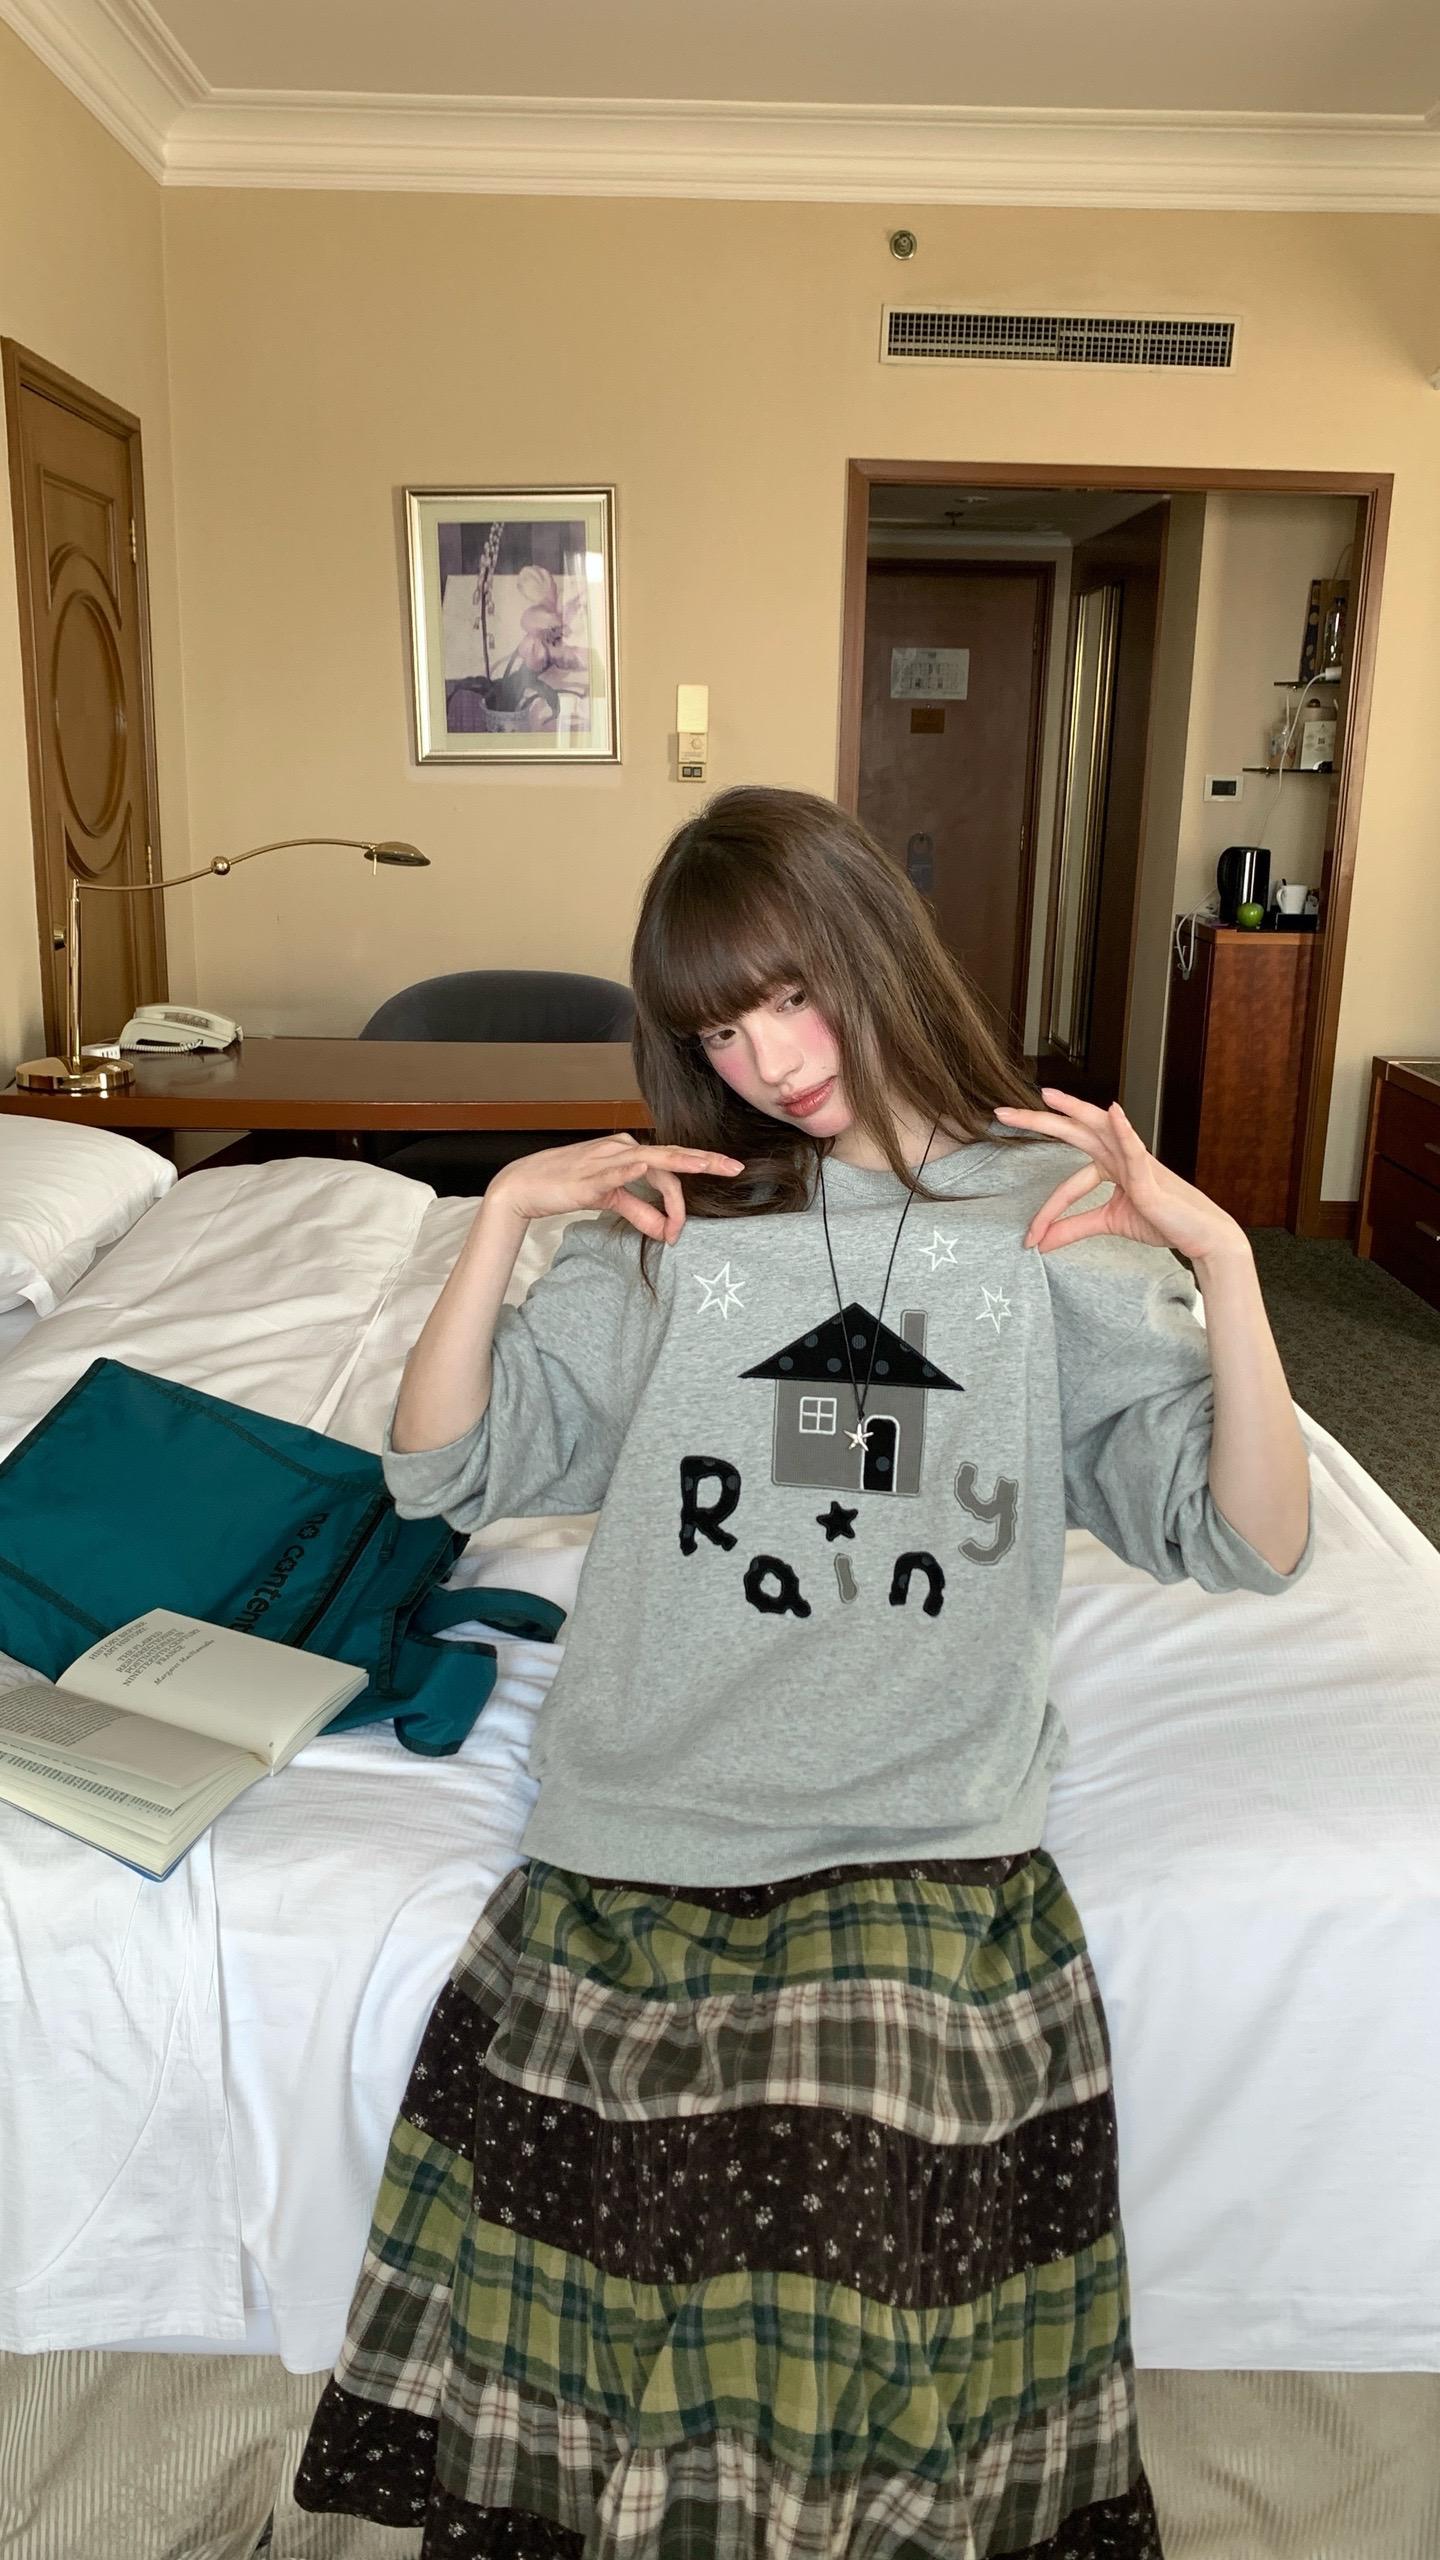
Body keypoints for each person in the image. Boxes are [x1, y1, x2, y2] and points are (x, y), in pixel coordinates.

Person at [295, 786, 1313, 2558]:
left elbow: (1250, 1539)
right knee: (611, 2227)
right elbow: (444, 1469)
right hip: (640, 1811)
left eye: (787, 998)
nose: (764, 1064)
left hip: (919, 1825)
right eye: (716, 1032)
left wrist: (1220, 1256)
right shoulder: (681, 1218)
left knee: (847, 2198)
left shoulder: (1048, 1215)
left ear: (871, 947)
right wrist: (502, 1221)